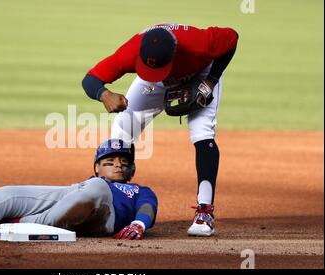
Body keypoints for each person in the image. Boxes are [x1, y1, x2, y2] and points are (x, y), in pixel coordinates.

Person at [82, 23, 239, 236]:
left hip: (199, 76)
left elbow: (231, 38)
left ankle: (205, 212)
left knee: (202, 132)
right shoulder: (131, 50)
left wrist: (211, 80)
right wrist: (104, 94)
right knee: (122, 130)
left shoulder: (200, 44)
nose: (155, 73)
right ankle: (116, 202)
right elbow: (90, 79)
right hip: (152, 85)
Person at [0, 139, 158, 240]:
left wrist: (139, 223)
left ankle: (19, 221)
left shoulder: (139, 190)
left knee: (95, 189)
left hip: (105, 215)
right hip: (76, 194)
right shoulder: (88, 183)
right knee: (7, 194)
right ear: (96, 166)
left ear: (132, 171)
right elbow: (86, 190)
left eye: (124, 163)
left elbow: (148, 207)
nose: (117, 166)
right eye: (109, 162)